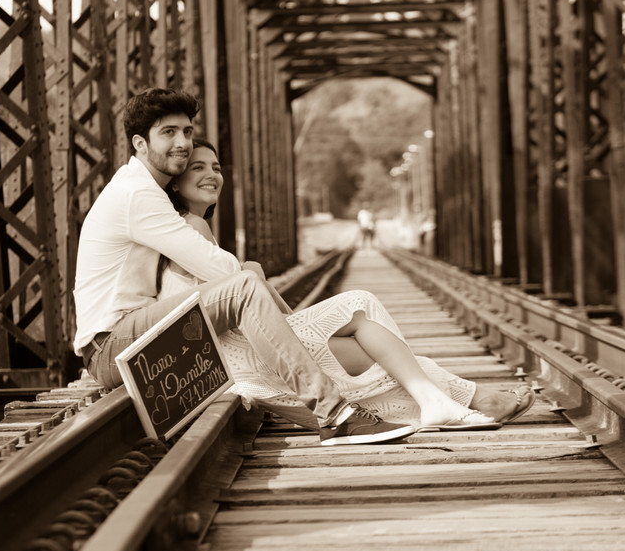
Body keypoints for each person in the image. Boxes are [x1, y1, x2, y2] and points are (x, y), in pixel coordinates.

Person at [73, 88, 420, 446]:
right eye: (168, 133)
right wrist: (251, 272)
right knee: (244, 285)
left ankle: (371, 397)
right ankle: (333, 413)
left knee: (250, 290)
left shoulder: (144, 190)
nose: (183, 143)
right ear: (140, 144)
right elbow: (221, 270)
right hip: (112, 346)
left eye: (187, 132)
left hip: (131, 337)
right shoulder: (137, 194)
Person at [160, 139, 535, 431]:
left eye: (216, 167)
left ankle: (451, 402)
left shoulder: (188, 231)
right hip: (242, 356)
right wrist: (254, 274)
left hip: (240, 358)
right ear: (175, 181)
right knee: (359, 304)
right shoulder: (191, 228)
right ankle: (464, 399)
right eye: (198, 167)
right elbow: (240, 311)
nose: (212, 174)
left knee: (378, 354)